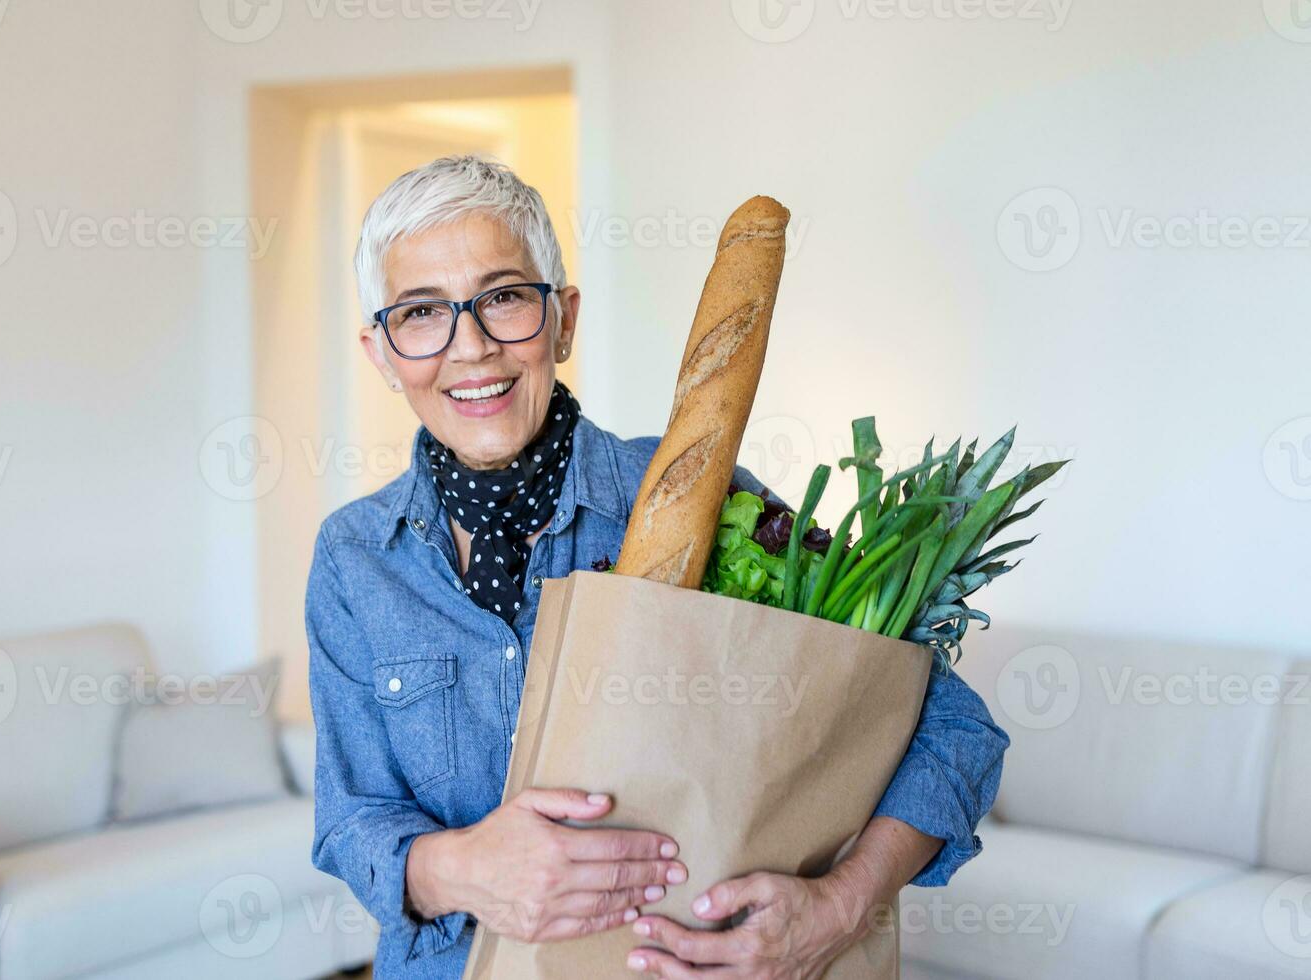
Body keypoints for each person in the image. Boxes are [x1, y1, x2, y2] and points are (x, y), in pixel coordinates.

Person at [306, 155, 1009, 979]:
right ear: (382, 353)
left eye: (503, 298)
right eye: (421, 314)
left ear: (562, 319)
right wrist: (464, 870)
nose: (472, 349)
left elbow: (956, 729)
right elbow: (352, 820)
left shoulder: (706, 503)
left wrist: (840, 905)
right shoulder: (355, 556)